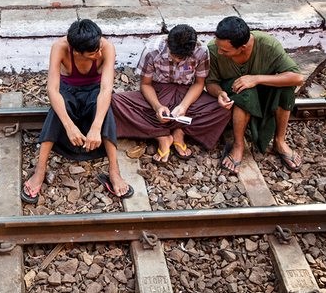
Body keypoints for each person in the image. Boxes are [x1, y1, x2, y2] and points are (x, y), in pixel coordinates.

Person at [22, 19, 132, 204]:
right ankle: (39, 170)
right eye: (92, 53)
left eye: (98, 48)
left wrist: (96, 127)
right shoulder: (60, 47)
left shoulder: (106, 47)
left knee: (105, 110)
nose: (98, 54)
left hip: (95, 91)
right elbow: (52, 90)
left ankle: (114, 171)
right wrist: (69, 126)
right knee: (57, 110)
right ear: (75, 50)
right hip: (68, 91)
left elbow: (106, 90)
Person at [111, 24, 231, 162]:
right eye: (174, 55)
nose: (177, 60)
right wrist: (157, 107)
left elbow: (199, 83)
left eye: (182, 58)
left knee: (223, 110)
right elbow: (145, 85)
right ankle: (162, 136)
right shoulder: (152, 50)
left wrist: (183, 107)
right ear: (168, 42)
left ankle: (179, 132)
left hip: (186, 94)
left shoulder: (201, 51)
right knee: (115, 102)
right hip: (158, 92)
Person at [206, 16, 304, 174]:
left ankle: (279, 141)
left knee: (286, 89)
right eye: (218, 46)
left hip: (264, 90)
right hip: (237, 94)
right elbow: (210, 82)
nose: (219, 52)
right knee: (245, 92)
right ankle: (238, 145)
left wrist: (256, 79)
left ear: (242, 47)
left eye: (225, 50)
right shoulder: (213, 49)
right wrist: (219, 93)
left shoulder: (268, 44)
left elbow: (297, 78)